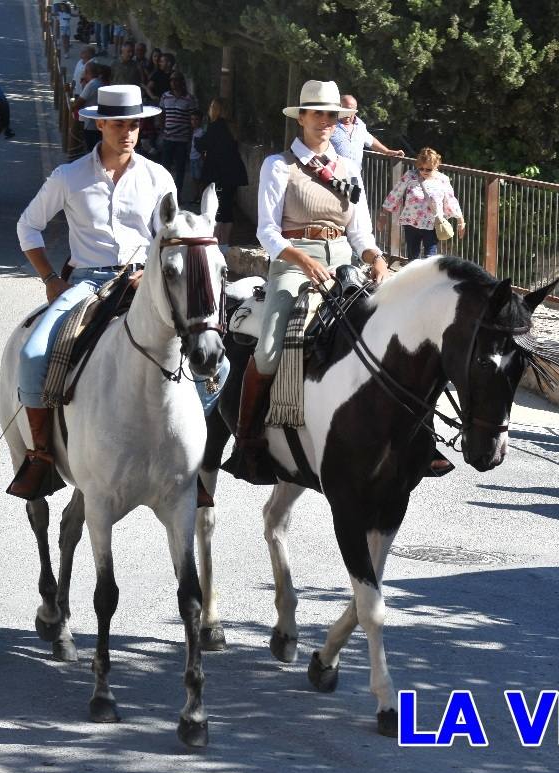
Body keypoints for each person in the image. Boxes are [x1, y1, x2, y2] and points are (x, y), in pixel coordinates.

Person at [9, 84, 176, 500]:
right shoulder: (69, 177)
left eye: (134, 124)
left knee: (211, 356)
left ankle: (198, 458)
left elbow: (168, 238)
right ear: (99, 124)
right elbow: (28, 226)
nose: (128, 132)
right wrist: (50, 279)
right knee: (32, 354)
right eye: (119, 124)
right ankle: (41, 454)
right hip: (88, 282)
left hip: (145, 281)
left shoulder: (158, 177)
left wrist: (151, 273)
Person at [224, 80, 389, 483]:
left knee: (391, 332)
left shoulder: (348, 169)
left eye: (332, 115)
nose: (325, 121)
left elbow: (361, 234)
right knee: (268, 349)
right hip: (293, 263)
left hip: (345, 264)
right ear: (301, 117)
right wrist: (301, 259)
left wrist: (377, 259)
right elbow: (266, 231)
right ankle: (247, 440)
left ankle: (408, 436)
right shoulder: (278, 165)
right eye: (317, 113)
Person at [382, 147, 466, 260]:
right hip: (411, 223)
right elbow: (395, 194)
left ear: (436, 166)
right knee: (413, 258)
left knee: (430, 258)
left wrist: (461, 221)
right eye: (421, 168)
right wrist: (383, 214)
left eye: (428, 169)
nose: (424, 171)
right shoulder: (410, 176)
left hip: (432, 225)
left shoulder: (443, 180)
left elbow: (451, 200)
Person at [195, 97, 249, 245]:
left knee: (216, 208)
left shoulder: (215, 126)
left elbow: (203, 145)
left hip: (218, 173)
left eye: (211, 107)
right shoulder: (232, 126)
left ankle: (216, 242)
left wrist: (197, 139)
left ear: (216, 110)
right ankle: (224, 243)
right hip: (233, 172)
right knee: (227, 208)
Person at [329, 94, 404, 167]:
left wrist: (387, 151)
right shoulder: (330, 124)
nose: (347, 113)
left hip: (355, 173)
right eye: (344, 109)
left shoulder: (360, 125)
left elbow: (370, 141)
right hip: (333, 173)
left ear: (355, 110)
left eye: (350, 110)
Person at [159, 73, 198, 197]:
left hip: (182, 139)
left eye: (176, 80)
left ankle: (177, 194)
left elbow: (192, 119)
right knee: (165, 168)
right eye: (172, 80)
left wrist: (191, 136)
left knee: (180, 169)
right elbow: (162, 114)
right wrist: (162, 129)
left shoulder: (189, 99)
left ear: (182, 82)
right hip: (168, 138)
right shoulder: (165, 96)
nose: (174, 82)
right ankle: (163, 194)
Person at [72, 61, 108, 152]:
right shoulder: (98, 83)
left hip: (90, 124)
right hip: (96, 121)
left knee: (91, 148)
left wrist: (72, 105)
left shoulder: (92, 84)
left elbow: (79, 102)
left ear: (87, 72)